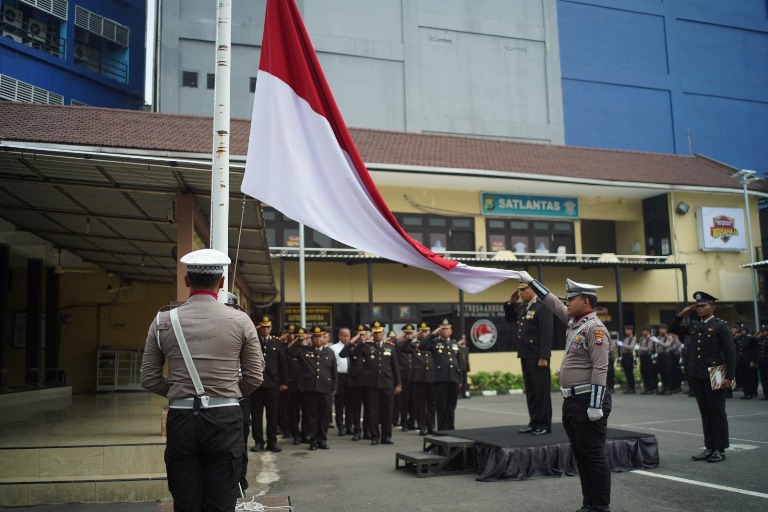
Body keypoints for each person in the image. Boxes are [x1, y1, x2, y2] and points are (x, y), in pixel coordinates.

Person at [140, 248, 265, 512]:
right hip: (225, 418)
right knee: (222, 499)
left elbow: (149, 379)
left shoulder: (163, 320)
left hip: (181, 418)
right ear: (221, 283)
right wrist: (227, 393)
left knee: (185, 500)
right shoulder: (241, 320)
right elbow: (254, 377)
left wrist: (178, 391)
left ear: (187, 281)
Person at [518, 271, 612, 512]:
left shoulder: (595, 329)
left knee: (593, 456)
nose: (567, 303)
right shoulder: (575, 323)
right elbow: (550, 301)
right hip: (572, 400)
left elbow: (601, 368)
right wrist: (531, 282)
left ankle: (600, 506)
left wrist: (595, 405)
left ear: (586, 301)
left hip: (587, 400)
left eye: (571, 299)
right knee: (581, 456)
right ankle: (589, 503)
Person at [669, 291, 735, 463]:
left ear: (712, 307)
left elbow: (730, 352)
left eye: (703, 306)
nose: (699, 309)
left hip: (717, 372)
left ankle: (720, 449)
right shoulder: (695, 325)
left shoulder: (720, 326)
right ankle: (709, 447)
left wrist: (730, 376)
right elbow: (673, 329)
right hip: (697, 372)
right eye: (697, 306)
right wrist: (681, 314)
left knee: (717, 411)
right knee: (705, 412)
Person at [505, 281, 553, 435]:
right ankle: (534, 422)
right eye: (519, 291)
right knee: (531, 391)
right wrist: (510, 303)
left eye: (523, 290)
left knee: (541, 391)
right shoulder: (523, 307)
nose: (520, 293)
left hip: (538, 356)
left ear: (532, 289)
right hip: (525, 354)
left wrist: (544, 356)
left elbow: (546, 333)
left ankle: (544, 424)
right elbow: (510, 319)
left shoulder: (542, 306)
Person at [289, 325, 337, 450]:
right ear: (311, 338)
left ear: (324, 338)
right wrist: (301, 339)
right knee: (311, 417)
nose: (317, 340)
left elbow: (334, 372)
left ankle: (323, 440)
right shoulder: (304, 350)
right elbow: (290, 352)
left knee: (324, 416)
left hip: (325, 388)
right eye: (315, 337)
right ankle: (313, 441)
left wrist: (335, 386)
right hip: (310, 389)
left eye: (320, 337)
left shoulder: (329, 352)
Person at [355, 321, 401, 445]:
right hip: (372, 384)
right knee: (373, 411)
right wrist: (363, 342)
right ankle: (374, 436)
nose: (377, 335)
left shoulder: (390, 347)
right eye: (375, 332)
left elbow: (395, 367)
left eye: (379, 332)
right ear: (372, 333)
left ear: (383, 332)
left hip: (387, 383)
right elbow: (354, 354)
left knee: (388, 411)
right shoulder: (366, 346)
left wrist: (398, 384)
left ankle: (386, 436)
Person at [249, 315, 288, 453]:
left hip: (273, 383)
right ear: (259, 327)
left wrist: (284, 382)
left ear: (271, 328)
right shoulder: (253, 341)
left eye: (268, 327)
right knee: (256, 415)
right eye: (263, 327)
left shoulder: (277, 343)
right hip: (256, 384)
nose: (265, 330)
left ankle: (272, 442)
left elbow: (283, 364)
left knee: (272, 414)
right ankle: (258, 441)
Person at [421, 319, 463, 431]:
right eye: (442, 329)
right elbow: (422, 346)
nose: (444, 331)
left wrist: (460, 380)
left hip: (453, 379)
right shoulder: (434, 343)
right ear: (439, 331)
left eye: (446, 329)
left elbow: (460, 363)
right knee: (441, 406)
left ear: (451, 331)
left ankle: (451, 428)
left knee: (451, 406)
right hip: (440, 379)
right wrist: (432, 334)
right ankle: (442, 429)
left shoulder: (455, 344)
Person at [340, 324, 368, 441]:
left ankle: (368, 431)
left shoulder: (370, 345)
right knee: (355, 408)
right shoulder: (352, 346)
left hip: (368, 382)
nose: (361, 336)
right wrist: (352, 341)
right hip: (355, 382)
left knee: (369, 408)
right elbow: (342, 354)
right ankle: (357, 430)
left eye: (363, 334)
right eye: (359, 334)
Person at [409, 322, 436, 435]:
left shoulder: (433, 344)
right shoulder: (413, 345)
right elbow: (401, 346)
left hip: (431, 377)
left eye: (426, 332)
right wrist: (413, 336)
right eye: (422, 332)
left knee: (431, 403)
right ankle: (422, 426)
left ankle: (431, 426)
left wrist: (431, 336)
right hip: (418, 378)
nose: (424, 334)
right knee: (420, 404)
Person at [329, 327, 353, 435]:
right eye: (344, 335)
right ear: (339, 336)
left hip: (351, 377)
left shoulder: (353, 347)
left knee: (350, 404)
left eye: (348, 335)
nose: (346, 337)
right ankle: (340, 426)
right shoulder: (334, 348)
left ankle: (349, 426)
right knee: (339, 404)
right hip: (339, 377)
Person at [637, 326, 658, 394]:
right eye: (642, 330)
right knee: (643, 372)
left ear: (648, 331)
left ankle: (650, 388)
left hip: (648, 357)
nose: (643, 332)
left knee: (649, 373)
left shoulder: (650, 339)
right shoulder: (641, 338)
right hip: (642, 357)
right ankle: (646, 388)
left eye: (644, 330)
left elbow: (649, 348)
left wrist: (639, 348)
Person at [617, 325, 636, 394]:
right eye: (626, 330)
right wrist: (621, 356)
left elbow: (631, 347)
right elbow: (622, 349)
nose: (627, 331)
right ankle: (628, 388)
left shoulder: (633, 338)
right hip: (624, 356)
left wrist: (622, 344)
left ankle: (632, 388)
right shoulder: (625, 338)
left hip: (629, 356)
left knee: (630, 373)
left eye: (629, 330)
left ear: (631, 331)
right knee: (626, 373)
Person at [655, 324, 673, 395]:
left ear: (666, 329)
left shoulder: (669, 337)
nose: (660, 330)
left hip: (666, 355)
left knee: (667, 373)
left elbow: (667, 345)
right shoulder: (658, 337)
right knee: (661, 372)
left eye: (662, 328)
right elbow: (656, 347)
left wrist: (658, 341)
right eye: (659, 329)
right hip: (659, 356)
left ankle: (668, 389)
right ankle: (663, 388)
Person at [752, 325, 768, 400]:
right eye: (762, 331)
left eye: (765, 331)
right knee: (763, 379)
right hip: (761, 362)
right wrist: (757, 332)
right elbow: (752, 340)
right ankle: (765, 394)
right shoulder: (760, 339)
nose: (763, 332)